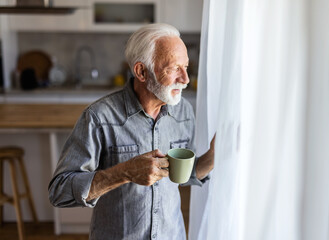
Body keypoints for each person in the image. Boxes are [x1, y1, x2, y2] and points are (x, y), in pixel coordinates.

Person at [48, 23, 214, 240]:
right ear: (141, 71)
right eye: (174, 68)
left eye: (186, 67)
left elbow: (184, 175)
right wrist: (124, 172)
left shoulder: (183, 111)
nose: (185, 79)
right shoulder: (99, 117)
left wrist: (214, 155)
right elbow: (59, 191)